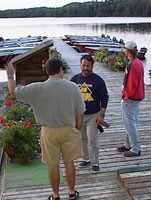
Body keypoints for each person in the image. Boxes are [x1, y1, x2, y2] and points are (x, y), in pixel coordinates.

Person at [5, 58, 85, 200]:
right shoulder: (73, 87)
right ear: (61, 69)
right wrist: (77, 129)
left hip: (48, 131)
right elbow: (80, 113)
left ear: (47, 71)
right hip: (69, 130)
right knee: (69, 162)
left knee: (53, 165)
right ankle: (72, 192)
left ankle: (55, 195)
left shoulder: (37, 88)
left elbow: (13, 91)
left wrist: (10, 75)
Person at [71, 55, 109, 173]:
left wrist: (101, 115)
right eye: (83, 65)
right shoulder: (74, 80)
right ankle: (86, 158)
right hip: (79, 116)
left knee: (92, 139)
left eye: (88, 65)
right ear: (80, 65)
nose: (85, 68)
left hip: (93, 115)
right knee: (82, 139)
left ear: (92, 66)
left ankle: (95, 162)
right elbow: (69, 97)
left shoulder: (98, 80)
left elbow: (104, 98)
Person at [117, 41, 145, 157]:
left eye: (125, 50)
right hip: (137, 97)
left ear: (128, 51)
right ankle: (128, 144)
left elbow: (131, 84)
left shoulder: (132, 64)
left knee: (130, 123)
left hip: (130, 98)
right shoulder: (138, 62)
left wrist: (125, 96)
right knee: (131, 122)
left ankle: (135, 148)